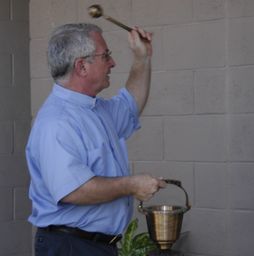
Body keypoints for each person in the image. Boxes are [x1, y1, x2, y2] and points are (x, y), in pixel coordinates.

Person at [26, 23, 166, 256]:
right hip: (70, 247)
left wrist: (142, 58)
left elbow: (130, 105)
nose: (112, 63)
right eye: (106, 56)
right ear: (82, 66)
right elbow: (73, 190)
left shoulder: (95, 110)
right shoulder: (57, 122)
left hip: (92, 246)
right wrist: (131, 185)